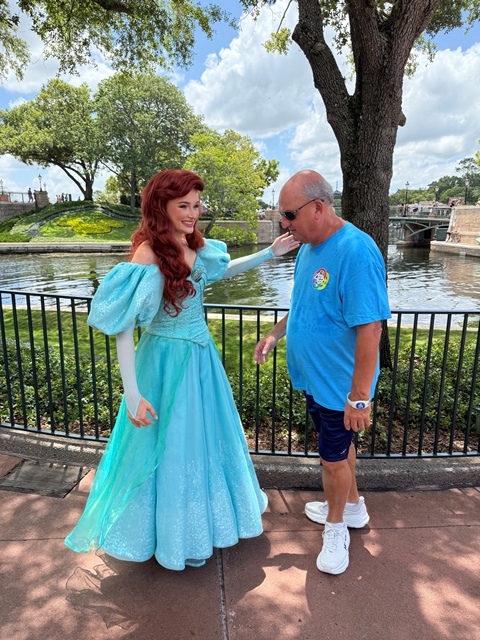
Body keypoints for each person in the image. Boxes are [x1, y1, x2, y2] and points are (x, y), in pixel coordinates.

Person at [65, 169, 299, 570]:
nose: (193, 213)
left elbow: (221, 270)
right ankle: (168, 537)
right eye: (184, 206)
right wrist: (133, 394)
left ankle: (198, 528)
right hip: (163, 362)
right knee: (168, 445)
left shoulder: (193, 244)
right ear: (162, 206)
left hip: (201, 360)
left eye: (196, 205)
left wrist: (269, 254)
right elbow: (123, 327)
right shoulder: (147, 253)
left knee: (202, 440)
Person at [254, 170, 390, 575]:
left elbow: (371, 329)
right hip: (316, 379)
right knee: (340, 449)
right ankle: (353, 507)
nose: (284, 224)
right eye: (282, 215)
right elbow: (302, 306)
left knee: (331, 461)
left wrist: (359, 397)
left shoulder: (356, 251)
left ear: (318, 207)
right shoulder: (308, 249)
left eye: (289, 214)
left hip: (339, 385)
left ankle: (336, 529)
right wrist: (276, 334)